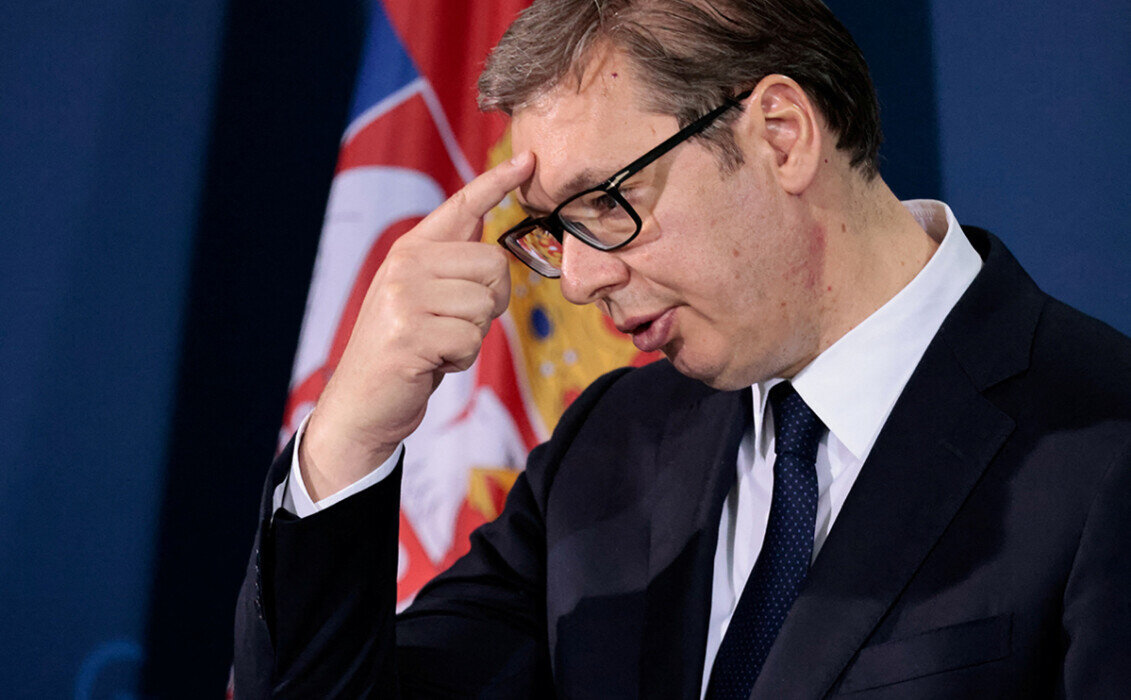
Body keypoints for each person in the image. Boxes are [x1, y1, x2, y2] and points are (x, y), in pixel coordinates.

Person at [234, 0, 1131, 697]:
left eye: (606, 202)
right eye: (554, 228)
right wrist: (350, 437)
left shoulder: (1103, 445)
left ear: (780, 134)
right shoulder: (607, 447)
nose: (577, 281)